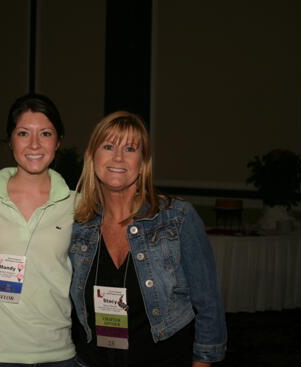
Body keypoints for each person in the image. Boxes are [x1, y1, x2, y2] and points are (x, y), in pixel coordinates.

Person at [69, 111, 227, 366]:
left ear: (142, 162)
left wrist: (204, 360)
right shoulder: (78, 226)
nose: (118, 157)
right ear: (91, 157)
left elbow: (208, 303)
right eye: (108, 146)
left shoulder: (176, 219)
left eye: (130, 149)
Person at [0, 94, 76, 366]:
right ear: (10, 140)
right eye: (24, 133)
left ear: (58, 141)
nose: (35, 144)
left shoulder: (78, 204)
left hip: (56, 352)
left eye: (46, 133)